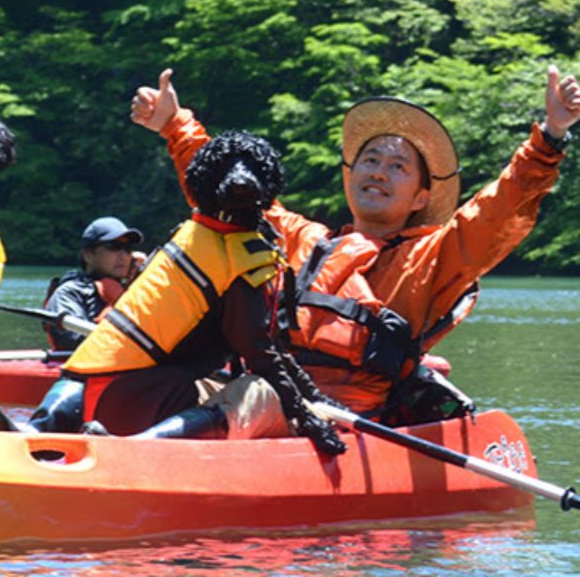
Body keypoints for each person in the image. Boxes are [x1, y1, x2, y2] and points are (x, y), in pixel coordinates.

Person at [131, 65, 580, 423]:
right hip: (265, 396)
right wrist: (174, 124)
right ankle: (112, 449)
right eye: (370, 160)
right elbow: (222, 191)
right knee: (155, 382)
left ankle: (155, 452)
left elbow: (499, 211)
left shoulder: (430, 259)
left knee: (256, 394)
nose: (379, 172)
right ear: (351, 177)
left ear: (422, 197)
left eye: (398, 166)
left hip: (342, 417)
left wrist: (550, 139)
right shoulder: (300, 238)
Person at [59, 132, 345, 455]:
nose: (240, 178)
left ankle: (50, 427)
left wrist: (318, 400)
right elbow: (260, 357)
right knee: (259, 389)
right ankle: (136, 448)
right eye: (228, 169)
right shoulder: (234, 259)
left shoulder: (197, 240)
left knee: (237, 383)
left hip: (111, 393)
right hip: (137, 400)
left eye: (249, 167)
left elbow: (269, 349)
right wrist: (308, 419)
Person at [43, 216, 145, 352]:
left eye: (127, 248)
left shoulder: (137, 290)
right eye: (114, 247)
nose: (123, 255)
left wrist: (142, 281)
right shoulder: (69, 292)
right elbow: (70, 342)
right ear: (88, 255)